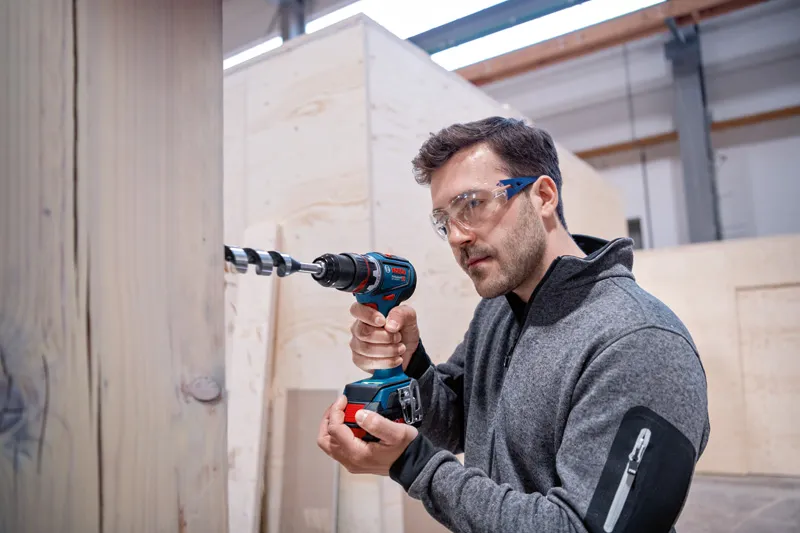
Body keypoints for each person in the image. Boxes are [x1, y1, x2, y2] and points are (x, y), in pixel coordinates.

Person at [317, 116, 710, 532]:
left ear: (543, 196)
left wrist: (415, 465)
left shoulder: (638, 342)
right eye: (444, 221)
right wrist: (412, 362)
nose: (456, 236)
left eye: (472, 204)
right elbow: (457, 424)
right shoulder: (498, 311)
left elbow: (578, 527)